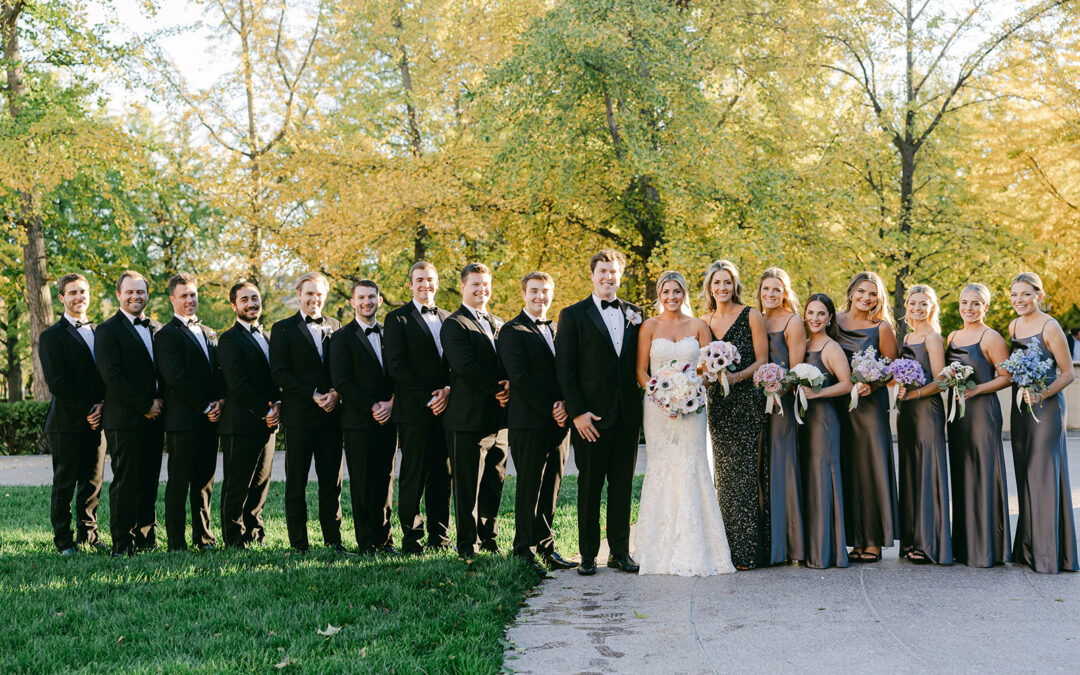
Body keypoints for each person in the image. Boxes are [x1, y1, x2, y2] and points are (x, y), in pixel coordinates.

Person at [633, 271, 734, 576]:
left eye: (677, 291)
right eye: (666, 291)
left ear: (684, 293)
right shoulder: (649, 326)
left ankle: (698, 546)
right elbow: (640, 370)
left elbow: (708, 368)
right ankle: (655, 548)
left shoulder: (699, 326)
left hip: (693, 407)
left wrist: (689, 390)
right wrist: (662, 396)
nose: (671, 297)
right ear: (659, 294)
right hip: (657, 410)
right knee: (661, 467)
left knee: (693, 466)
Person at [555, 250, 643, 576]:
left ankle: (620, 552)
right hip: (590, 418)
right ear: (592, 275)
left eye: (614, 272)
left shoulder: (636, 313)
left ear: (620, 276)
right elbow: (565, 370)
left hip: (626, 417)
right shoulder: (573, 314)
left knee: (622, 487)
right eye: (602, 271)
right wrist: (578, 413)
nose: (608, 277)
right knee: (590, 488)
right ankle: (589, 555)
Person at [497, 271, 576, 572]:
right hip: (529, 421)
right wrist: (552, 407)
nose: (539, 296)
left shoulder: (558, 329)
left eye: (545, 291)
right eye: (534, 291)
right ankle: (523, 550)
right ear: (523, 294)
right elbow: (521, 378)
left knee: (552, 487)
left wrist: (566, 407)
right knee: (530, 485)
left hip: (559, 424)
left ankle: (547, 547)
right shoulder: (511, 330)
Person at [269, 272, 346, 554]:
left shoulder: (336, 326)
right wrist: (313, 394)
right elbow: (279, 372)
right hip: (300, 416)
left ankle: (333, 540)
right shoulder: (283, 328)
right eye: (309, 294)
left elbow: (342, 366)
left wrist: (336, 393)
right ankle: (299, 543)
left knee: (331, 483)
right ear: (299, 295)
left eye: (319, 294)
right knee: (296, 484)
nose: (314, 299)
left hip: (331, 416)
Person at [1007, 272, 1078, 574]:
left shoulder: (1051, 327)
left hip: (1047, 409)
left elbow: (1068, 373)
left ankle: (1049, 556)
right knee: (1025, 473)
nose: (1019, 300)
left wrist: (1043, 394)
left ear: (1039, 295)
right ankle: (1028, 549)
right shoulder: (1013, 325)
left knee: (1043, 475)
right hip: (1021, 407)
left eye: (1025, 294)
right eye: (1014, 295)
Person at [702, 259, 768, 570]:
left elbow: (762, 361)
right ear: (709, 287)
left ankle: (749, 551)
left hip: (747, 402)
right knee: (724, 476)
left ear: (735, 285)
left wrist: (736, 377)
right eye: (717, 283)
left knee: (745, 474)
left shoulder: (751, 315)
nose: (722, 288)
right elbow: (702, 366)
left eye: (727, 282)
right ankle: (725, 549)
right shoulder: (704, 321)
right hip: (719, 405)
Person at [383, 261, 453, 554]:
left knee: (442, 476)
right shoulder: (397, 319)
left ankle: (440, 537)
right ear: (410, 285)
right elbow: (397, 366)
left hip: (448, 411)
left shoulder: (450, 319)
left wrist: (447, 392)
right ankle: (412, 539)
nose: (426, 285)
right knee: (413, 476)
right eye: (420, 280)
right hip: (414, 412)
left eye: (430, 279)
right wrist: (429, 396)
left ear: (437, 283)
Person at [441, 263, 510, 559]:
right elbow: (464, 366)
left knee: (494, 482)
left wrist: (509, 384)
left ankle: (489, 538)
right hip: (467, 419)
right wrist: (498, 388)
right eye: (475, 284)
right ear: (463, 288)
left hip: (500, 420)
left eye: (486, 284)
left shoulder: (498, 323)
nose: (482, 289)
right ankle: (468, 544)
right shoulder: (454, 324)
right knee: (468, 485)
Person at [95, 270, 164, 556]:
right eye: (130, 292)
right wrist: (145, 405)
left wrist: (159, 402)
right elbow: (113, 376)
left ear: (147, 295)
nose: (136, 296)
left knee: (149, 479)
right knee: (126, 481)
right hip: (124, 419)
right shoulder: (107, 330)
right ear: (119, 295)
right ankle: (122, 543)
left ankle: (146, 538)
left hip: (156, 418)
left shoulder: (156, 327)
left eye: (141, 292)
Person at [155, 274, 224, 552]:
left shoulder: (209, 331)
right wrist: (205, 406)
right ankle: (176, 541)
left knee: (205, 482)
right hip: (183, 420)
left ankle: (204, 537)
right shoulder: (166, 335)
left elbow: (217, 372)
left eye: (193, 295)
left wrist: (220, 400)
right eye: (183, 296)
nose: (189, 300)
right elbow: (176, 378)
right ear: (173, 299)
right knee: (179, 482)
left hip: (211, 420)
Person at [329, 280, 398, 556]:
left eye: (372, 297)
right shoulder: (341, 337)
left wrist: (391, 403)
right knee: (362, 482)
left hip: (389, 418)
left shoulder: (390, 333)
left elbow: (397, 372)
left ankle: (386, 539)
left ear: (379, 300)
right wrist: (372, 406)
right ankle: (367, 541)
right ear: (353, 302)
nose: (367, 302)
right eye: (361, 298)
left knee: (386, 480)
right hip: (359, 420)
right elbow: (342, 381)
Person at [945, 283, 1012, 567]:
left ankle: (987, 549)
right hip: (957, 414)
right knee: (961, 475)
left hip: (983, 412)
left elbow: (1007, 377)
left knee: (983, 473)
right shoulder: (952, 336)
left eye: (975, 303)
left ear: (985, 307)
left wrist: (977, 390)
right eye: (964, 302)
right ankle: (964, 546)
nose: (969, 308)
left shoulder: (991, 337)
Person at [836, 271, 899, 563]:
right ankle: (851, 538)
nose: (866, 298)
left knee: (870, 468)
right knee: (846, 468)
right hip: (839, 406)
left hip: (870, 407)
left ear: (879, 298)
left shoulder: (881, 327)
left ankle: (872, 540)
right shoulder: (833, 322)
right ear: (851, 292)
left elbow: (892, 371)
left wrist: (870, 381)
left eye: (873, 294)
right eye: (862, 291)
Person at [40, 273, 106, 555]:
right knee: (65, 483)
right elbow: (57, 383)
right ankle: (64, 541)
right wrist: (87, 409)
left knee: (92, 482)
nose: (79, 297)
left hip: (99, 420)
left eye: (83, 292)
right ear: (61, 298)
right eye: (73, 293)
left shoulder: (101, 332)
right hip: (66, 422)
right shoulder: (51, 336)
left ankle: (88, 535)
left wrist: (103, 406)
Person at [217, 281, 279, 549]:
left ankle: (254, 533)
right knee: (237, 485)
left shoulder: (267, 337)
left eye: (255, 298)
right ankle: (233, 538)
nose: (251, 304)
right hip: (241, 423)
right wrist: (264, 410)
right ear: (234, 306)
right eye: (244, 300)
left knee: (260, 485)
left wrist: (277, 404)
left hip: (268, 424)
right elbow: (237, 382)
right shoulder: (229, 339)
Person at [894, 285, 952, 565]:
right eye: (913, 303)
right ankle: (912, 538)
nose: (917, 308)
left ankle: (930, 542)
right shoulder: (907, 336)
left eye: (923, 304)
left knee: (927, 469)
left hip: (926, 410)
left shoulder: (933, 337)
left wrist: (915, 393)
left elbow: (941, 380)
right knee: (910, 470)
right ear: (906, 306)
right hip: (906, 411)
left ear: (932, 307)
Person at [798, 294, 852, 569]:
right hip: (802, 422)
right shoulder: (802, 344)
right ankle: (808, 547)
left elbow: (847, 384)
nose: (815, 318)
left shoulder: (831, 348)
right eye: (811, 312)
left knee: (823, 480)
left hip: (824, 422)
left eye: (821, 313)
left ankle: (826, 551)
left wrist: (817, 394)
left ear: (830, 317)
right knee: (807, 480)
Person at [757, 267, 806, 565]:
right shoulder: (756, 319)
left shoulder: (793, 321)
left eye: (777, 289)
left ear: (785, 292)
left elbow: (797, 370)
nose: (771, 294)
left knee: (782, 467)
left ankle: (788, 546)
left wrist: (776, 390)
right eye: (766, 289)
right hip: (754, 406)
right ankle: (764, 542)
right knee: (761, 469)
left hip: (782, 406)